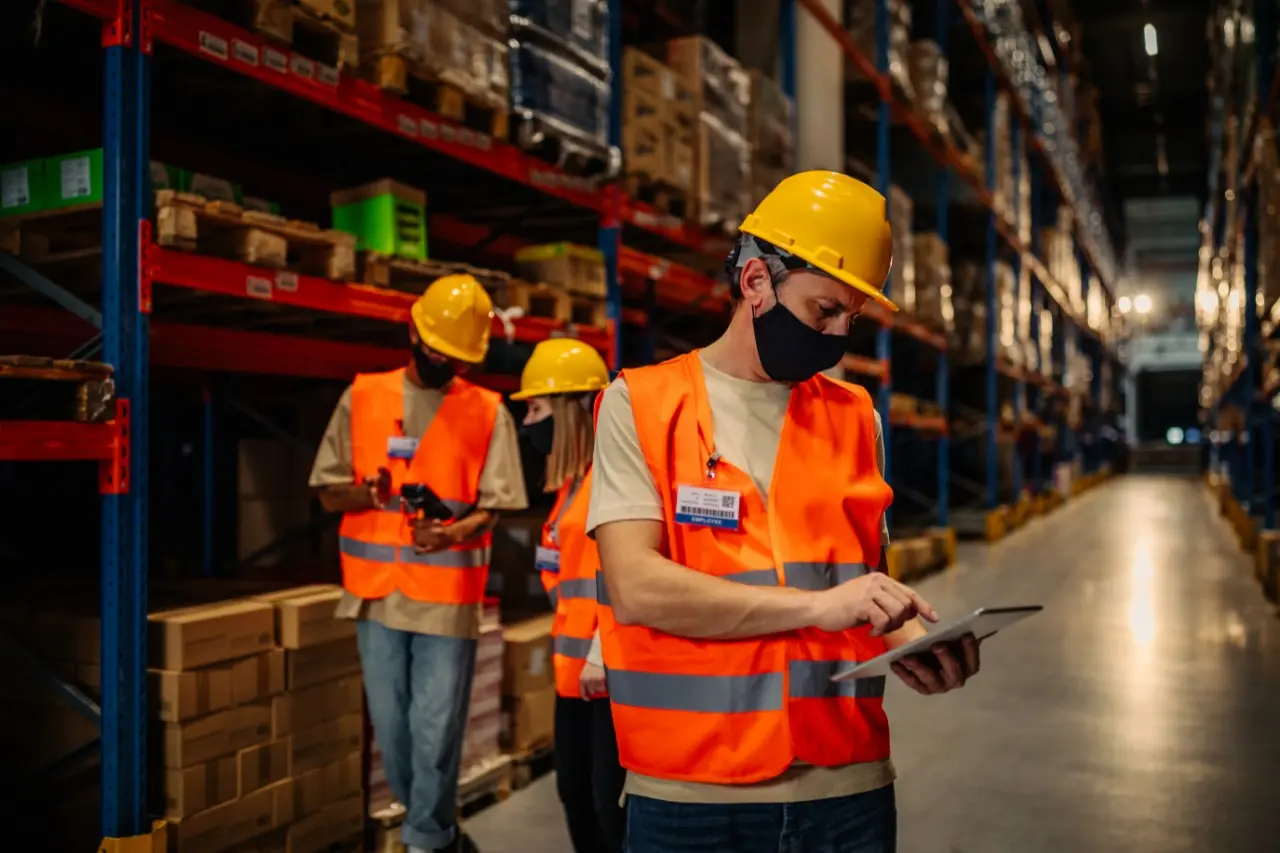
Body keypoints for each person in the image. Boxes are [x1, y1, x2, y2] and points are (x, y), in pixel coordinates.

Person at [587, 171, 982, 853]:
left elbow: (865, 591)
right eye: (824, 310)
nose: (836, 335)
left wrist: (912, 643)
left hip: (846, 787)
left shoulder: (856, 418)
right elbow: (636, 586)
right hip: (690, 792)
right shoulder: (641, 404)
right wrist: (816, 608)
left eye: (851, 318)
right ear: (755, 282)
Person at [309, 274, 528, 853]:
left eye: (455, 357)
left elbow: (498, 504)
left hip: (447, 594)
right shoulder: (362, 397)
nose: (443, 362)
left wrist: (454, 531)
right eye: (436, 349)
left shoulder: (486, 410)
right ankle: (437, 833)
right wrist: (369, 493)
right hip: (376, 592)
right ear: (412, 330)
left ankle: (428, 841)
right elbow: (329, 491)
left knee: (436, 731)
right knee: (393, 729)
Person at [512, 338, 626, 853]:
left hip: (608, 675)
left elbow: (627, 576)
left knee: (608, 806)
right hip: (572, 676)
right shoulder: (570, 487)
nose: (528, 423)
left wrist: (603, 650)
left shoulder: (614, 479)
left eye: (536, 408)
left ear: (574, 408)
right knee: (574, 794)